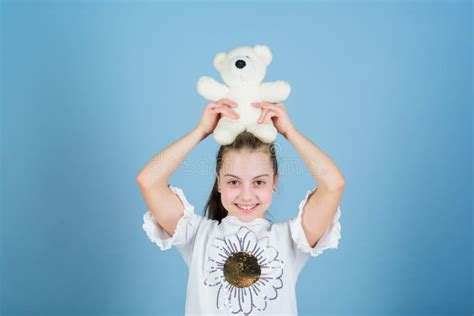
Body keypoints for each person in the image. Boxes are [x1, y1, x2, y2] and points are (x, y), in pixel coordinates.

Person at [136, 98, 345, 315]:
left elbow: (333, 184)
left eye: (259, 182)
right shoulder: (196, 235)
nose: (246, 195)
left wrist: (290, 131)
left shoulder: (291, 239)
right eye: (233, 182)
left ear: (275, 181)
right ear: (219, 182)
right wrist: (201, 131)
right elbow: (148, 180)